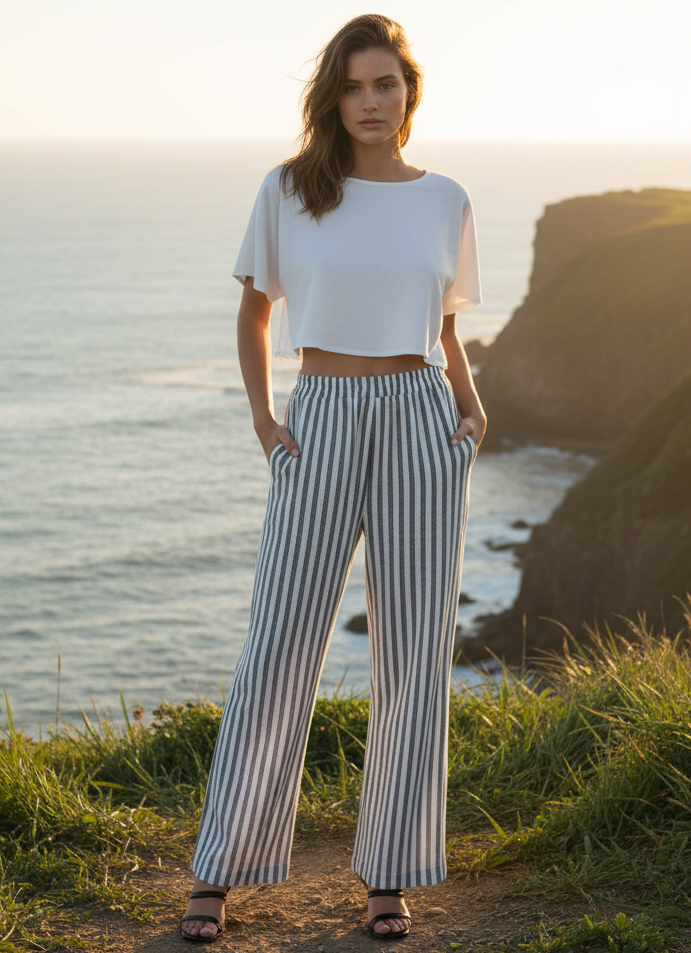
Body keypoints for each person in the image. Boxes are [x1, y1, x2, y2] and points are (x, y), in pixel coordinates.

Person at [180, 12, 486, 944]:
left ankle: (390, 874)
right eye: (353, 85)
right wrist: (267, 421)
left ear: (408, 90)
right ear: (332, 95)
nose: (369, 101)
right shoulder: (288, 191)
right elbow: (253, 315)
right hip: (317, 416)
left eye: (385, 84)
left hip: (420, 418)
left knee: (411, 654)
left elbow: (438, 323)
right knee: (278, 640)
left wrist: (470, 410)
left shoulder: (446, 200)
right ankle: (220, 868)